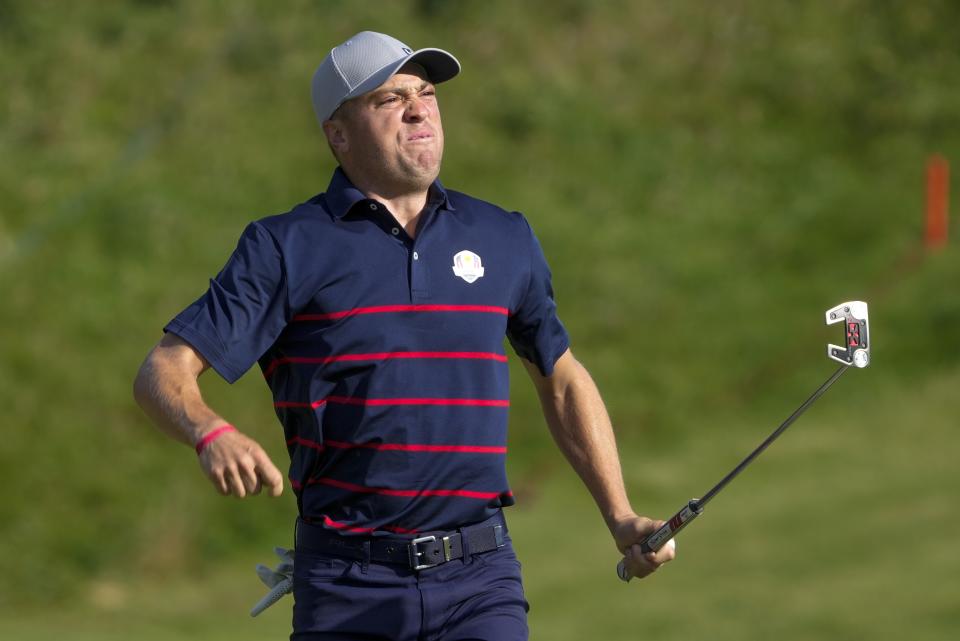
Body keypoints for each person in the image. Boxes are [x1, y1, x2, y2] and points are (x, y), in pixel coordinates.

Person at [133, 30, 675, 641]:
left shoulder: (504, 235)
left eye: (425, 92)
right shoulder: (285, 246)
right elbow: (163, 370)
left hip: (481, 579)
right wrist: (210, 431)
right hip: (344, 586)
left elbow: (563, 378)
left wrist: (620, 514)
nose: (419, 107)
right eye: (388, 99)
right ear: (338, 134)